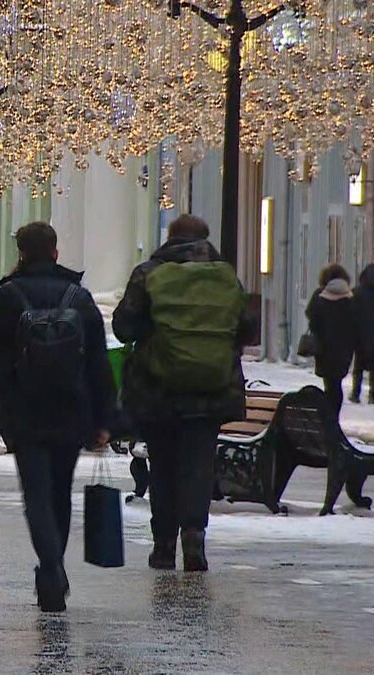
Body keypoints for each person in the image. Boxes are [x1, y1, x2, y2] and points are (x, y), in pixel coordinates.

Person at [0, 222, 113, 612]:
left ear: (21, 252)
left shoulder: (9, 295)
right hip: (72, 408)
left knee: (35, 492)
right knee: (59, 492)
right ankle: (54, 565)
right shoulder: (78, 298)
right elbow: (98, 361)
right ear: (54, 251)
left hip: (24, 409)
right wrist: (104, 418)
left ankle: (51, 569)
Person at [113, 215, 257, 574]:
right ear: (204, 239)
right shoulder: (224, 277)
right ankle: (194, 537)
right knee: (198, 464)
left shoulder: (148, 273)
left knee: (162, 465)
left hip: (159, 388)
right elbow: (248, 330)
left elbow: (122, 327)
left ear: (170, 237)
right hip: (210, 387)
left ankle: (163, 546)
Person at [306, 263, 358, 415]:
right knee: (336, 383)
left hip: (324, 348)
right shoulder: (350, 299)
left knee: (329, 383)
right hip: (344, 349)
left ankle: (328, 416)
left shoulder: (319, 295)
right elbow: (355, 323)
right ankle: (332, 416)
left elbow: (312, 318)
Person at [352, 264, 374, 405]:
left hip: (359, 336)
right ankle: (373, 395)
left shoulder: (356, 293)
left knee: (358, 366)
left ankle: (355, 393)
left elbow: (351, 315)